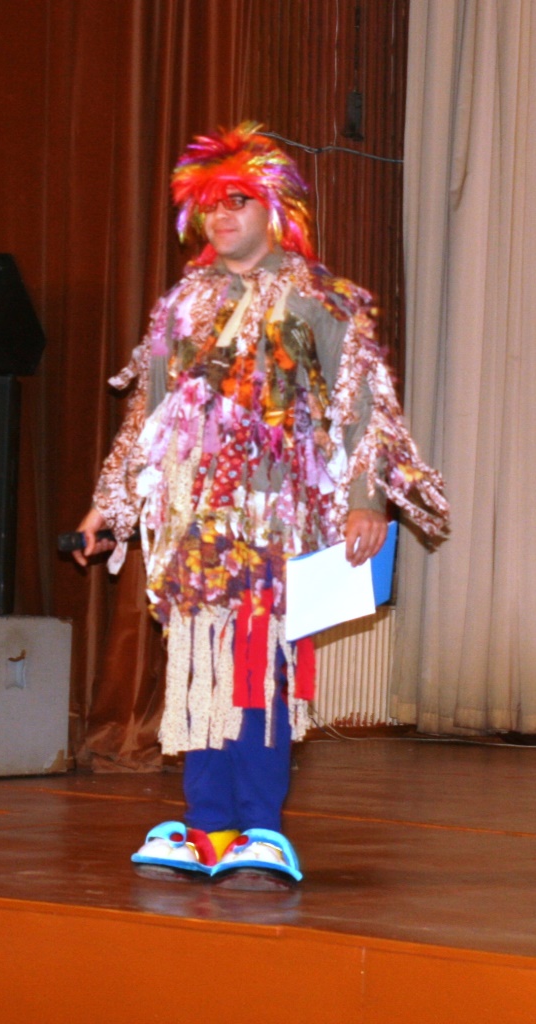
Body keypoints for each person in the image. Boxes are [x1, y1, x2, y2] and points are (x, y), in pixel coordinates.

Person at [74, 122, 448, 889]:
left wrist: (366, 500)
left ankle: (259, 824)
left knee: (258, 671)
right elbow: (145, 417)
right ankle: (207, 822)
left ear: (273, 210)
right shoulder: (184, 304)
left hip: (278, 520)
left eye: (237, 201)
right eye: (211, 204)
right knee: (199, 668)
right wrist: (107, 507)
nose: (222, 216)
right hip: (195, 526)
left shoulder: (319, 301)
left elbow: (363, 408)